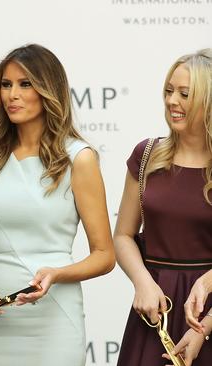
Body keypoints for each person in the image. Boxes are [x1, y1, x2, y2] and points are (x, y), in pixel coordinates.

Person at [0, 44, 115, 365]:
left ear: (48, 90)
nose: (12, 94)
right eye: (6, 84)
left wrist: (56, 274)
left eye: (25, 84)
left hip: (54, 319)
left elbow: (105, 256)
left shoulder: (78, 159)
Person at [114, 48, 212, 366]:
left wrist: (204, 328)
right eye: (169, 91)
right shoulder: (146, 156)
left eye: (185, 93)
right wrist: (143, 282)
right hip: (154, 312)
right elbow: (123, 236)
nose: (172, 101)